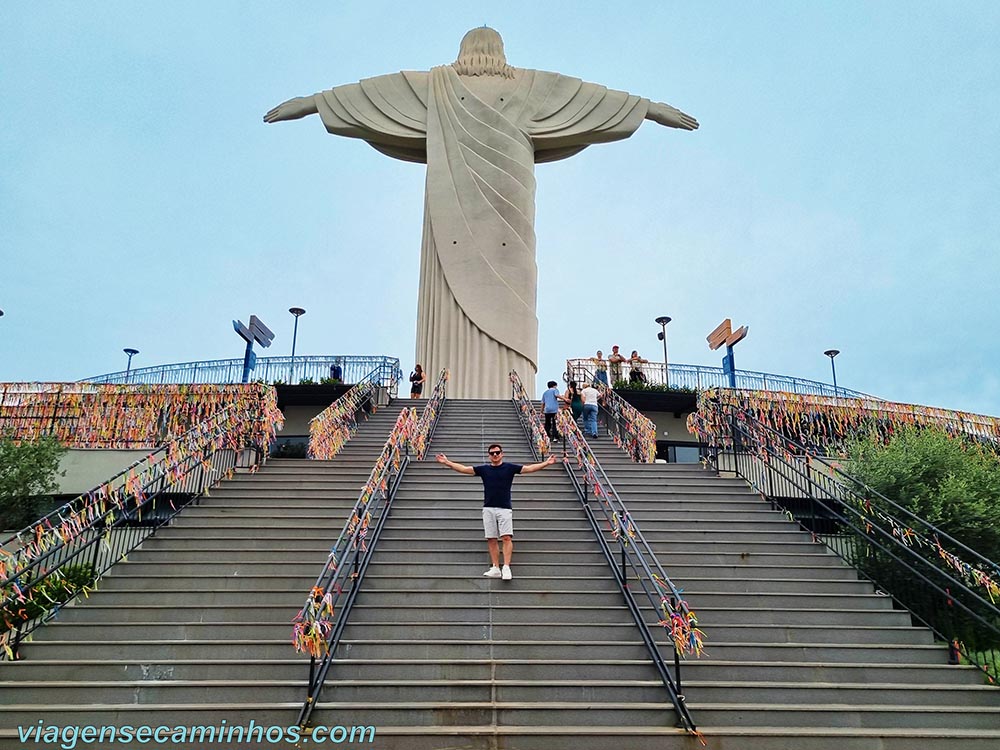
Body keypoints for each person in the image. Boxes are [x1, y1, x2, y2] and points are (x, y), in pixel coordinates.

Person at [264, 27, 698, 400]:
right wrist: (649, 108)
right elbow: (588, 98)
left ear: (464, 51)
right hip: (489, 196)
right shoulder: (527, 87)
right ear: (500, 52)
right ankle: (485, 391)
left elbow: (374, 94)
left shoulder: (436, 87)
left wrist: (312, 102)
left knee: (509, 300)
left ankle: (466, 389)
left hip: (507, 215)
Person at [436, 445, 556, 579]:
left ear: (502, 454)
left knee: (506, 537)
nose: (495, 455)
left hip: (504, 508)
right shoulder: (484, 469)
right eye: (492, 453)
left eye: (497, 452)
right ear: (489, 455)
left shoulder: (509, 468)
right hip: (488, 507)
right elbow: (464, 469)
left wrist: (546, 463)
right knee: (491, 538)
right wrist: (447, 462)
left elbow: (529, 468)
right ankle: (495, 567)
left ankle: (506, 567)